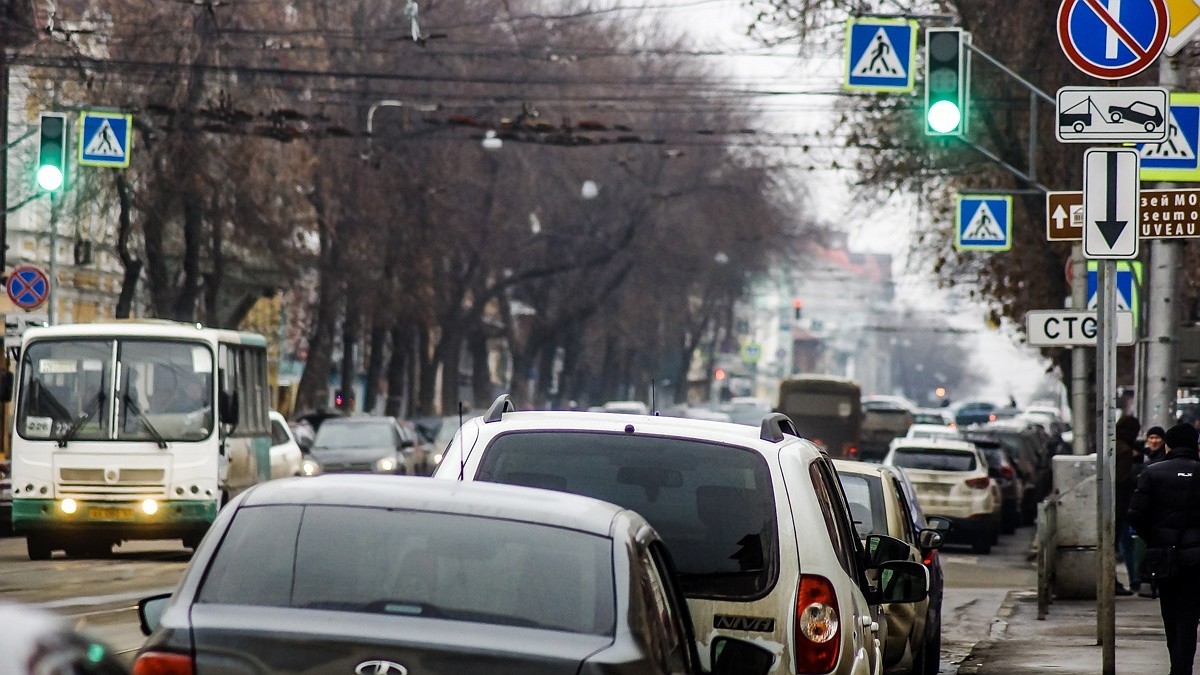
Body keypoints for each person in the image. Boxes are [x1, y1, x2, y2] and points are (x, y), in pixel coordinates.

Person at [1128, 422, 1200, 675]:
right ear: (1195, 445)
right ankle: (1185, 667)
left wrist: (1155, 538)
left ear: (1168, 444)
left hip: (1164, 556)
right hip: (1196, 559)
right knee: (1190, 615)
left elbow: (1135, 515)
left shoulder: (1153, 472)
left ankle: (1176, 665)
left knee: (1170, 612)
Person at [1115, 414, 1140, 595]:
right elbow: (1122, 478)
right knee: (1123, 543)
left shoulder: (1112, 444)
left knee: (1115, 544)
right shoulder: (1124, 450)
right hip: (1121, 503)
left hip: (1111, 504)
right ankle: (1130, 580)